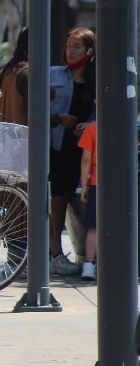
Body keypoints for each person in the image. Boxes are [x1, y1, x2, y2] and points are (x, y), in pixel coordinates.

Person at [48, 27, 96, 276]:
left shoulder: (96, 79)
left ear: (89, 50)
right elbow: (35, 107)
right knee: (58, 198)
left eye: (77, 46)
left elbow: (103, 110)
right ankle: (54, 252)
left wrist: (89, 124)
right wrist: (58, 119)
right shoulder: (54, 74)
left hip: (85, 149)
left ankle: (88, 256)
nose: (71, 50)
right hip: (58, 146)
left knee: (84, 199)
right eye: (69, 45)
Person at [0, 27, 29, 125]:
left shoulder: (6, 70)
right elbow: (37, 113)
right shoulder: (27, 73)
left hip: (1, 138)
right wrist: (59, 119)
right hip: (20, 138)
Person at [78, 119, 97, 281]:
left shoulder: (92, 129)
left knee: (93, 226)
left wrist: (84, 185)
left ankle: (89, 265)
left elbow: (86, 159)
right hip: (122, 184)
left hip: (97, 183)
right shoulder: (126, 126)